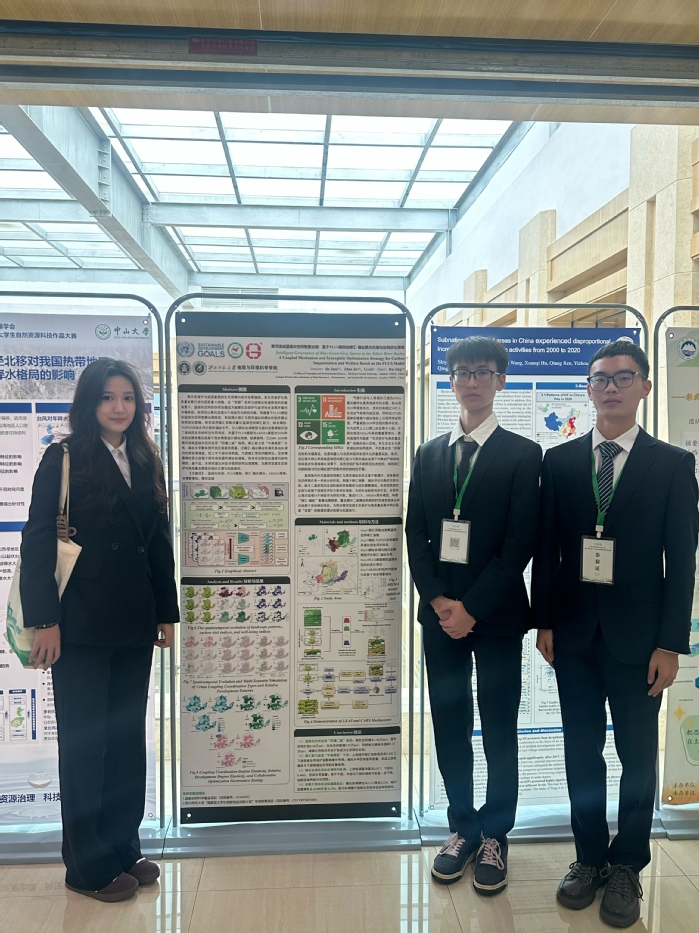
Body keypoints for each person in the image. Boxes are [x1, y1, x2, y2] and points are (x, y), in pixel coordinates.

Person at [533, 339, 698, 928]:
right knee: (581, 752)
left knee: (635, 757)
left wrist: (670, 644)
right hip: (573, 637)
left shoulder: (672, 464)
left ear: (644, 387)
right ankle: (588, 858)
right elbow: (547, 551)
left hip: (640, 642)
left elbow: (681, 561)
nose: (611, 387)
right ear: (588, 388)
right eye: (600, 378)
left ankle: (627, 864)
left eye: (623, 377)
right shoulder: (560, 462)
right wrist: (544, 619)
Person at [21, 358, 179, 903]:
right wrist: (44, 620)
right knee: (86, 747)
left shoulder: (145, 457)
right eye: (108, 397)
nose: (119, 407)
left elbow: (157, 541)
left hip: (134, 622)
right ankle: (86, 867)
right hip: (78, 625)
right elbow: (38, 540)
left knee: (126, 740)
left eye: (128, 398)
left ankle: (122, 847)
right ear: (89, 403)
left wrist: (164, 612)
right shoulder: (64, 457)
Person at [406, 336, 542, 893]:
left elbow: (519, 543)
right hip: (440, 617)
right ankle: (462, 827)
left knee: (499, 724)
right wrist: (441, 602)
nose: (471, 381)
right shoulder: (429, 453)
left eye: (483, 372)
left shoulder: (523, 453)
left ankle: (495, 835)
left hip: (497, 616)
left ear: (500, 381)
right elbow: (416, 534)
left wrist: (472, 609)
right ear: (451, 380)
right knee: (450, 721)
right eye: (462, 372)